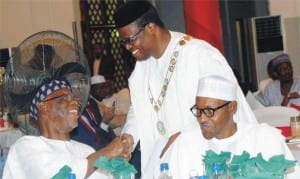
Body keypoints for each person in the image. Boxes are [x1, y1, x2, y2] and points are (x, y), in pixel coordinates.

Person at [113, 0, 257, 176]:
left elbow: (225, 111)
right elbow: (139, 107)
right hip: (165, 162)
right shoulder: (143, 65)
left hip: (203, 158)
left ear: (150, 27)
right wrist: (129, 135)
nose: (128, 47)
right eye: (124, 43)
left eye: (130, 40)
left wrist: (183, 136)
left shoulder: (199, 55)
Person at [156, 75, 300, 178]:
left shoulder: (264, 139)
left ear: (232, 107)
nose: (202, 118)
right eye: (198, 111)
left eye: (209, 111)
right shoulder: (185, 143)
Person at [3, 78, 129, 179]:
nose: (75, 103)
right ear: (43, 107)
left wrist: (121, 164)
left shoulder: (85, 150)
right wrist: (107, 152)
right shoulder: (26, 147)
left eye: (75, 99)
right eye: (64, 98)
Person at [70, 75, 116, 150]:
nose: (102, 90)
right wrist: (105, 122)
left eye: (85, 87)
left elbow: (99, 132)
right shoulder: (76, 115)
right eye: (98, 87)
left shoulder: (92, 104)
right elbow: (94, 140)